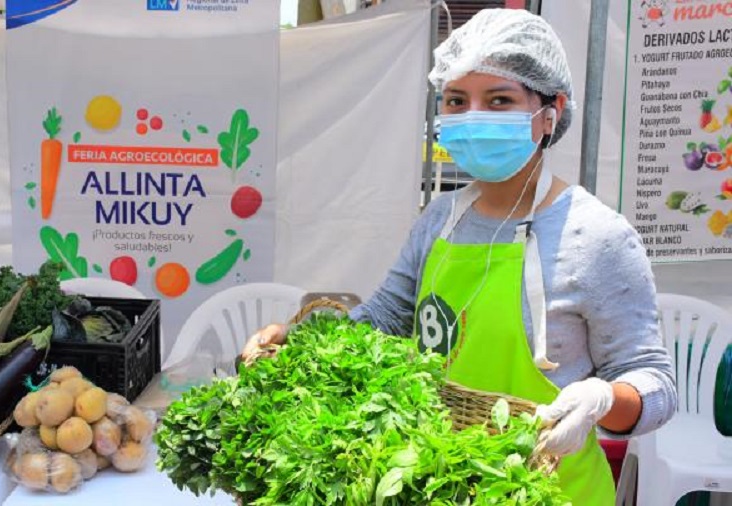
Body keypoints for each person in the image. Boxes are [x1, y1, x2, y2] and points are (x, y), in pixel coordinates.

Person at [241, 8, 676, 505]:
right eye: (456, 100)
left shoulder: (596, 236)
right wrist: (299, 340)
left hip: (553, 492)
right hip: (440, 483)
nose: (473, 116)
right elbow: (385, 316)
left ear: (550, 110)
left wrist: (601, 400)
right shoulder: (440, 218)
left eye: (498, 100)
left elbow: (656, 386)